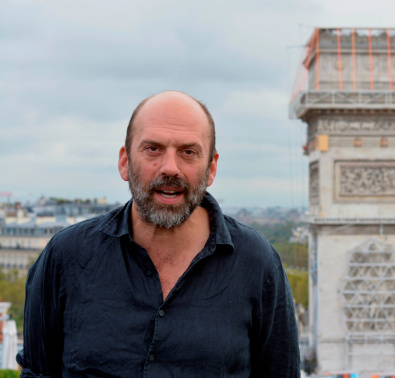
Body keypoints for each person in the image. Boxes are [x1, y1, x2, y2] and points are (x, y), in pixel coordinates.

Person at [18, 91, 300, 377]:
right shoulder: (65, 256)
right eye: (153, 149)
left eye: (188, 152)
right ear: (125, 161)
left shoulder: (257, 262)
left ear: (211, 168)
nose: (170, 168)